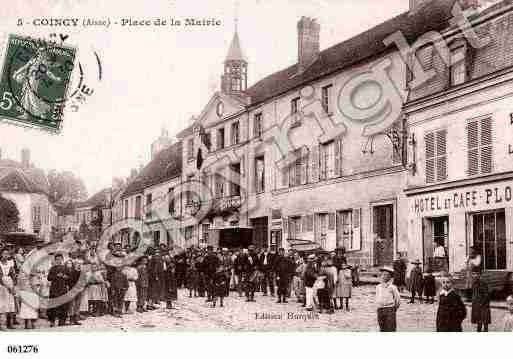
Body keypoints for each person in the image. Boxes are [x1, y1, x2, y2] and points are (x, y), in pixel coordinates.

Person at [47, 253, 71, 327]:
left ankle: (62, 321)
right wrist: (56, 276)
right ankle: (52, 321)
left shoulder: (65, 268)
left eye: (60, 259)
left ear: (62, 260)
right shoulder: (52, 268)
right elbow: (49, 278)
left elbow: (69, 278)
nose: (58, 261)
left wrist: (64, 276)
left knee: (63, 305)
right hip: (54, 289)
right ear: (55, 260)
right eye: (57, 259)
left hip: (63, 288)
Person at [375, 266, 401, 332]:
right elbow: (377, 297)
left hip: (389, 309)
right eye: (383, 274)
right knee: (382, 328)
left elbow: (397, 300)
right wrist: (378, 306)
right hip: (380, 309)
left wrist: (393, 308)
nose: (384, 276)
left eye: (386, 275)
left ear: (390, 277)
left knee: (390, 328)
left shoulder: (392, 287)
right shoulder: (378, 287)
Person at [0, 248, 17, 329]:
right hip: (2, 285)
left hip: (9, 283)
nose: (6, 255)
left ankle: (9, 323)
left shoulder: (10, 264)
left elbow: (13, 275)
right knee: (2, 303)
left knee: (10, 303)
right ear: (1, 254)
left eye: (7, 254)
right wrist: (6, 286)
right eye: (4, 254)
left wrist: (13, 286)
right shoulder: (0, 264)